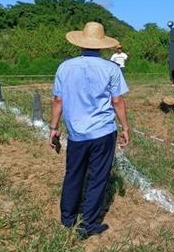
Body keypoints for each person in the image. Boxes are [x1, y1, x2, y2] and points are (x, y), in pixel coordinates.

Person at [49, 22, 131, 239]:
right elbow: (117, 101)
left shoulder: (64, 67)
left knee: (73, 173)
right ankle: (89, 224)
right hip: (103, 132)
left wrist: (54, 128)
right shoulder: (111, 69)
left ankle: (67, 219)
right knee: (98, 177)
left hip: (76, 132)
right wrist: (125, 127)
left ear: (80, 43)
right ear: (101, 46)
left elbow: (58, 101)